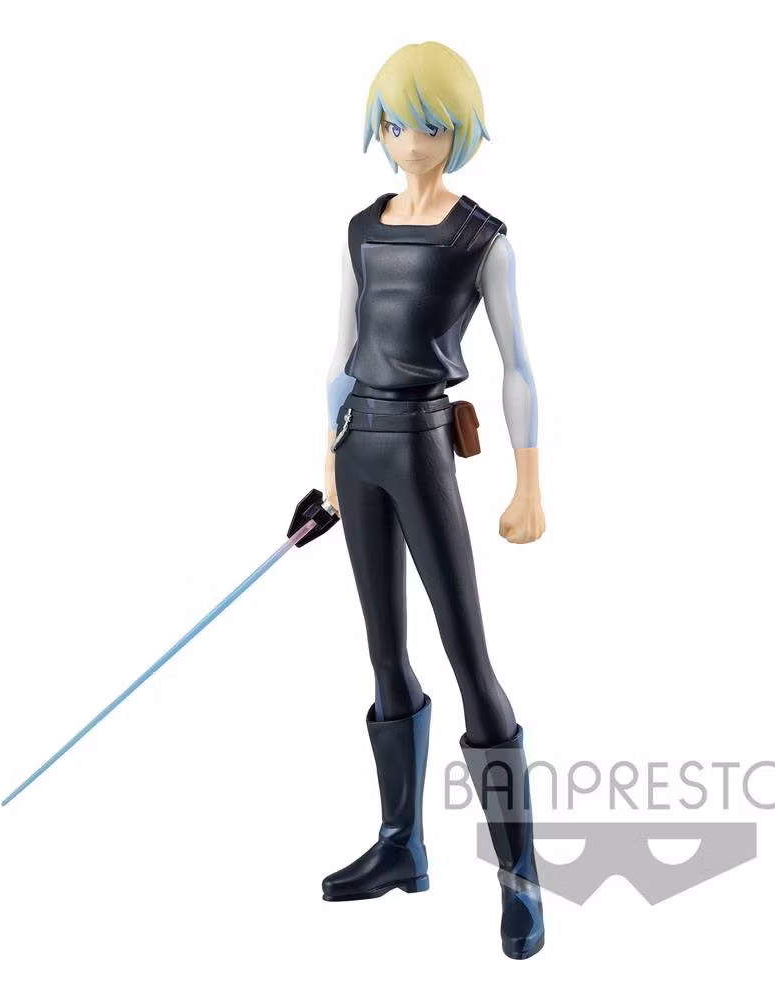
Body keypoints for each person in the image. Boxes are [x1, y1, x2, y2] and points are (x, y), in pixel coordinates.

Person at [321, 41, 546, 961]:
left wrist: (529, 481)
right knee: (383, 652)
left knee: (468, 657)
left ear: (459, 129)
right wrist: (325, 460)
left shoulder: (481, 238)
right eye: (392, 122)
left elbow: (519, 365)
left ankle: (520, 877)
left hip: (421, 444)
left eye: (427, 124)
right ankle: (399, 845)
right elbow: (340, 350)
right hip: (358, 448)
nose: (408, 140)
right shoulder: (361, 228)